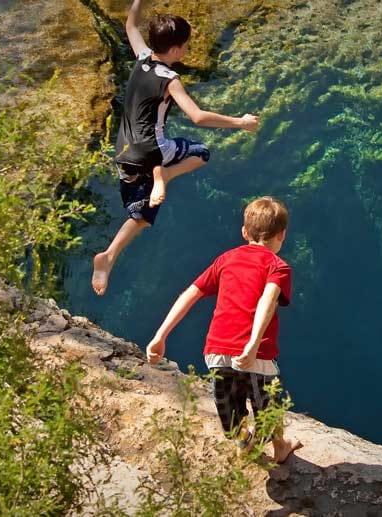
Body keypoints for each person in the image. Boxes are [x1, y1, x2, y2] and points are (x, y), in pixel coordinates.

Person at [91, 0, 260, 296]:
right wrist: (240, 122)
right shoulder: (170, 80)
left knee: (140, 211)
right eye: (184, 46)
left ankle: (109, 255)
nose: (186, 50)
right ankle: (164, 177)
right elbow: (197, 116)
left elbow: (130, 25)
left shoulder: (143, 57)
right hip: (153, 150)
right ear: (174, 49)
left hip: (123, 150)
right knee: (201, 154)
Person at [145, 197, 303, 463]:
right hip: (256, 355)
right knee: (268, 406)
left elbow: (190, 294)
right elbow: (268, 300)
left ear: (244, 232)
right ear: (282, 235)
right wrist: (252, 344)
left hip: (216, 350)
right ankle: (280, 446)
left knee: (230, 412)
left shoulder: (226, 259)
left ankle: (244, 442)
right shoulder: (278, 267)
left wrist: (160, 336)